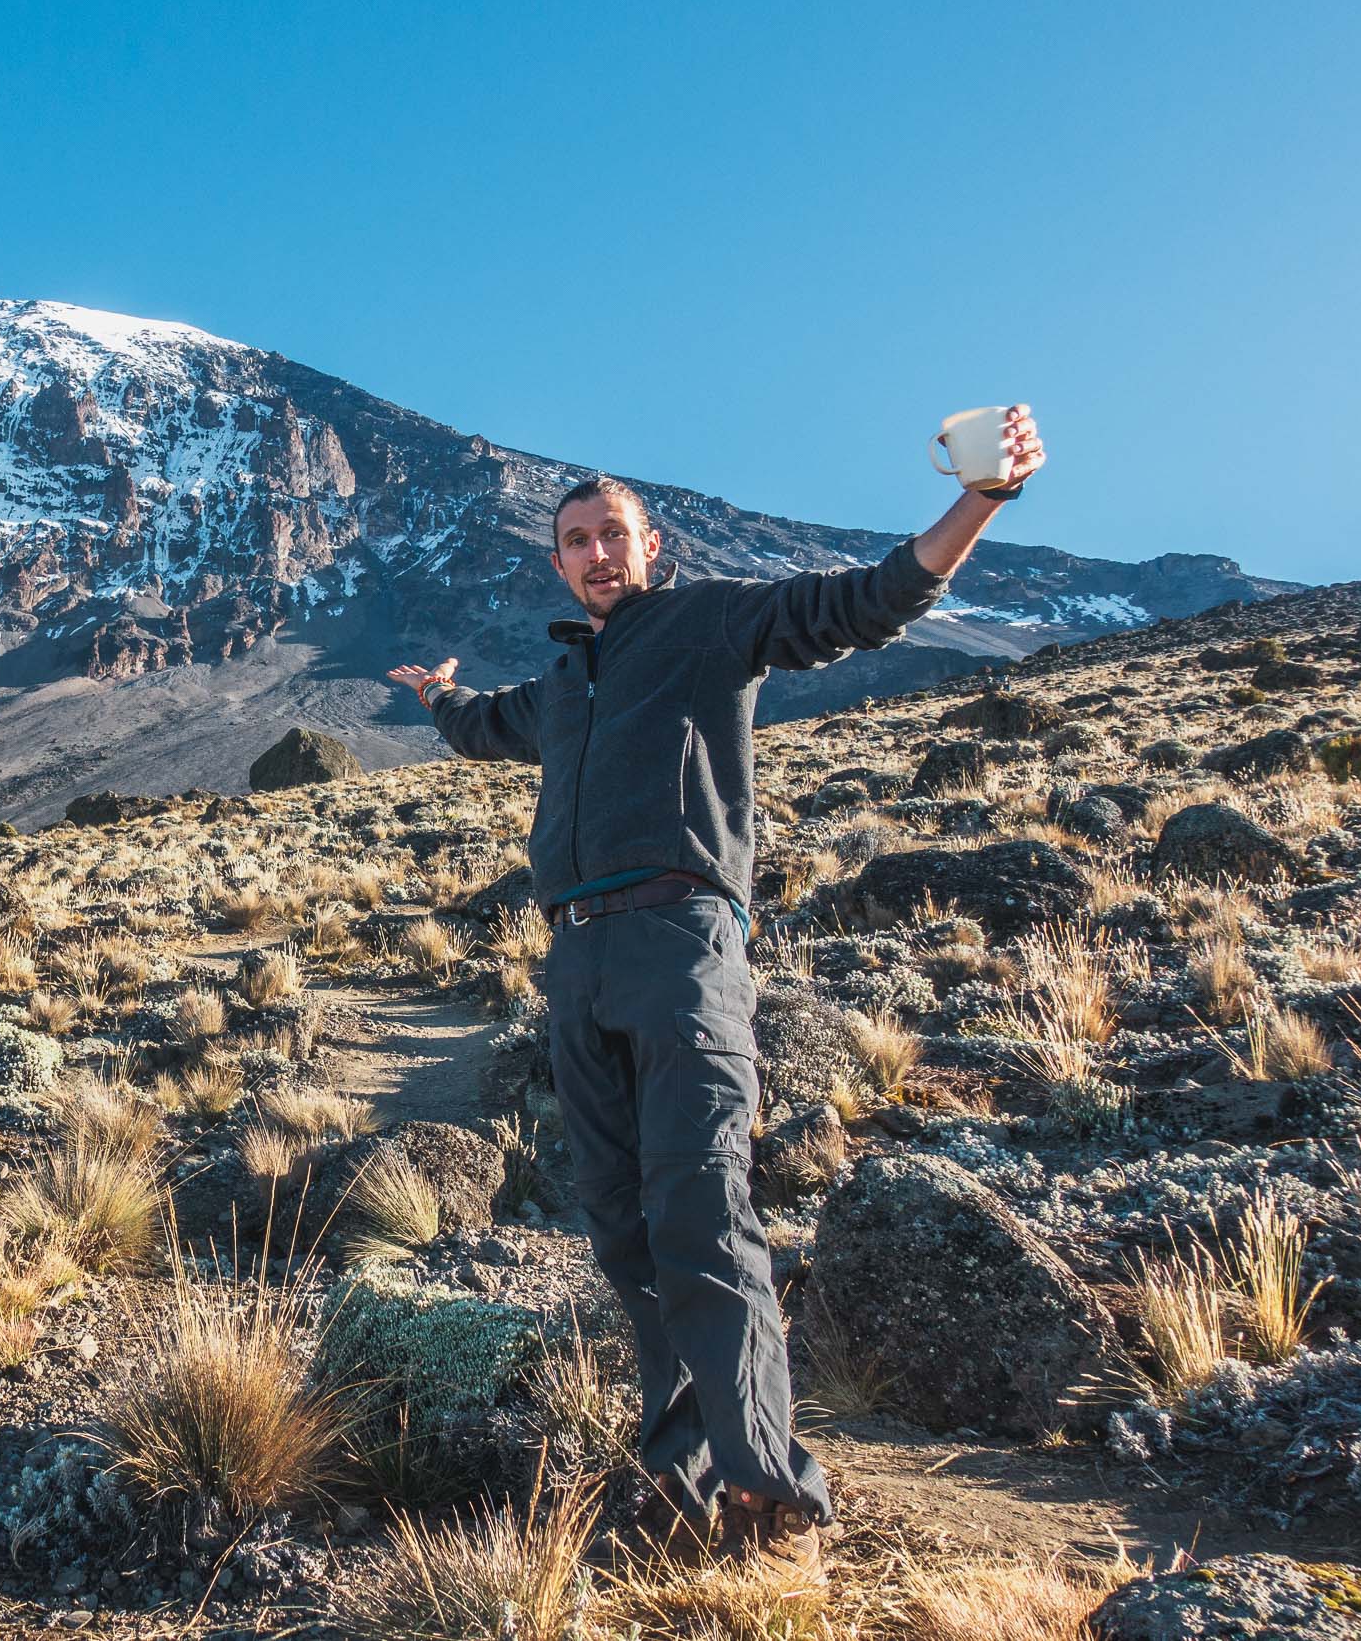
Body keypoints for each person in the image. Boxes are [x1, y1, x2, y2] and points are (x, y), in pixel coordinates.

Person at [386, 407, 1045, 1571]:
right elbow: (484, 731)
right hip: (577, 964)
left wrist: (979, 502)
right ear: (558, 562)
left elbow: (864, 601)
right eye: (576, 539)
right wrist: (437, 697)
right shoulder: (561, 682)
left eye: (614, 533)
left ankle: (770, 1492)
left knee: (700, 1216)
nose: (596, 552)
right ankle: (684, 1489)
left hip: (680, 946)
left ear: (653, 549)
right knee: (623, 1233)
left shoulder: (703, 626)